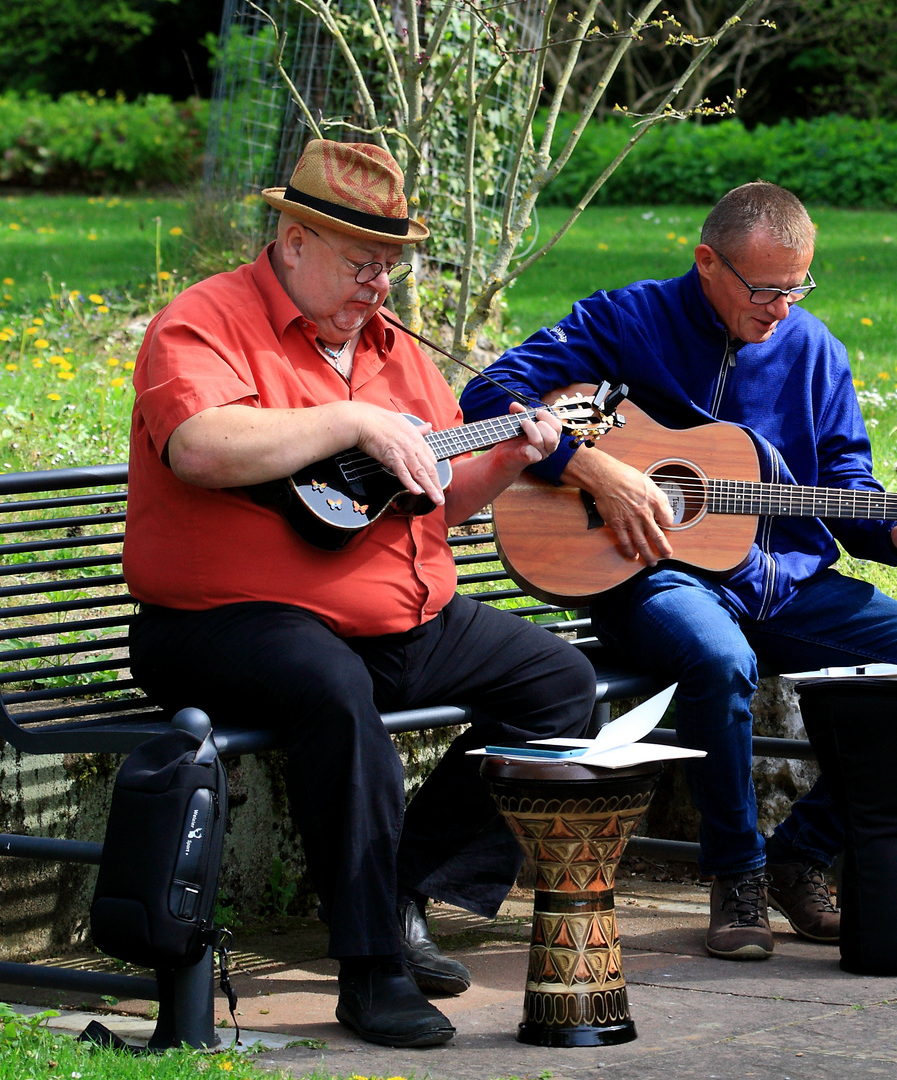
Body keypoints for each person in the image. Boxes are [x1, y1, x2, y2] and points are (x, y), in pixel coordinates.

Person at [123, 139, 595, 1046]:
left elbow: (442, 499)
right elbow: (200, 447)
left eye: (391, 264)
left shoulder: (394, 353)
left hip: (394, 616)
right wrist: (349, 418)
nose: (380, 283)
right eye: (361, 261)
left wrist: (511, 456)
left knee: (558, 686)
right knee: (334, 696)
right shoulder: (206, 320)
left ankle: (401, 889)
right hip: (222, 623)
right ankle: (371, 972)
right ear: (294, 240)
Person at [461, 182, 897, 961]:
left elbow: (844, 493)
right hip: (653, 576)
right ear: (708, 262)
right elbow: (486, 395)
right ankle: (736, 873)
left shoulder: (815, 353)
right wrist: (596, 469)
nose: (782, 308)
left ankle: (800, 855)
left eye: (797, 288)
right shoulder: (625, 318)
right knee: (716, 655)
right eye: (767, 289)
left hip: (787, 585)